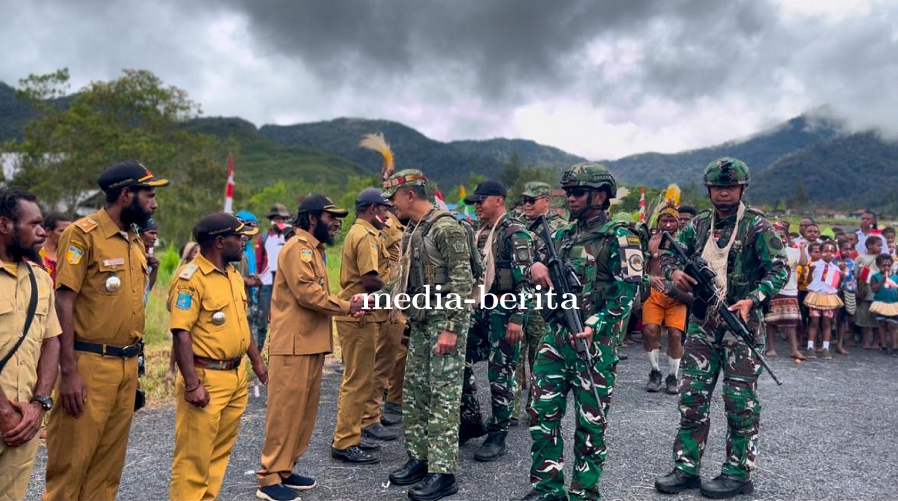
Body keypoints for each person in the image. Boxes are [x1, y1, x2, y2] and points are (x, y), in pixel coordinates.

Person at [654, 157, 787, 499]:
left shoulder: (757, 227)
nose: (723, 193)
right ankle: (686, 468)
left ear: (742, 189)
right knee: (691, 398)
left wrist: (753, 299)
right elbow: (668, 255)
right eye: (718, 187)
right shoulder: (697, 225)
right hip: (701, 326)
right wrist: (674, 274)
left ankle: (738, 472)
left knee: (739, 402)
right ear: (709, 189)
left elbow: (779, 270)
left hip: (740, 323)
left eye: (730, 187)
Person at [44, 161, 168, 501]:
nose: (154, 204)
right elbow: (63, 303)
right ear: (126, 195)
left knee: (107, 471)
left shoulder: (132, 240)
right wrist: (68, 372)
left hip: (126, 366)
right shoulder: (83, 235)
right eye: (149, 195)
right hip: (89, 365)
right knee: (70, 467)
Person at [522, 163, 641, 501]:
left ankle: (584, 492)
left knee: (590, 424)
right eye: (568, 191)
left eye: (577, 192)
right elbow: (533, 271)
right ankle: (547, 486)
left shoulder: (621, 235)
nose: (570, 197)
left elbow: (629, 292)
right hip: (556, 337)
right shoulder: (560, 235)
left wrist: (597, 323)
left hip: (594, 343)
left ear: (600, 196)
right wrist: (535, 267)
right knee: (541, 414)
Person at [256, 195, 366, 501]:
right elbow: (308, 294)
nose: (336, 223)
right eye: (330, 217)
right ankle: (268, 478)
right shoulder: (297, 249)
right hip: (293, 346)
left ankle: (285, 469)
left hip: (309, 343)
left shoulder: (313, 251)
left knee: (303, 414)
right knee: (285, 413)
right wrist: (347, 307)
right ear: (312, 218)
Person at [382, 169, 475, 501]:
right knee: (416, 392)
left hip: (444, 321)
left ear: (409, 195)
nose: (391, 206)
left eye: (393, 198)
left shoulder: (447, 228)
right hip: (422, 320)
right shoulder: (417, 229)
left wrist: (451, 328)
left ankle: (443, 471)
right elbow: (408, 279)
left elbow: (464, 284)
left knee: (444, 397)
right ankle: (420, 458)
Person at [169, 213, 268, 500]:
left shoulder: (233, 275)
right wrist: (191, 384)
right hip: (206, 377)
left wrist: (257, 363)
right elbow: (180, 332)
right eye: (239, 237)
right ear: (221, 242)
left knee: (218, 455)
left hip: (235, 377)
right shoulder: (190, 278)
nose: (243, 241)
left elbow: (242, 323)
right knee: (194, 460)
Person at [459, 179, 533, 461]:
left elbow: (527, 281)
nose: (477, 205)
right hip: (480, 308)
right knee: (460, 357)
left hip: (505, 310)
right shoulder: (482, 232)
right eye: (475, 201)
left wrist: (518, 317)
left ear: (498, 200)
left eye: (482, 200)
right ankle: (471, 419)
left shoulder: (515, 233)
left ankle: (498, 432)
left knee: (500, 373)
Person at [0, 188, 61, 500]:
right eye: (33, 224)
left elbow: (51, 341)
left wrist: (39, 404)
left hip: (22, 423)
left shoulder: (41, 278)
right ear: (4, 225)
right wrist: (3, 410)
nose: (42, 231)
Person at [331, 188, 397, 464]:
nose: (387, 213)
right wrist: (398, 292)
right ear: (372, 209)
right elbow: (370, 280)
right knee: (357, 380)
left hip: (366, 315)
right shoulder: (364, 235)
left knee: (363, 377)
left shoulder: (367, 233)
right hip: (358, 316)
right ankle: (344, 442)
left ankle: (354, 434)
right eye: (384, 208)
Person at [513, 181, 566, 423]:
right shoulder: (515, 225)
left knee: (540, 354)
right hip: (516, 295)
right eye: (524, 199)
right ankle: (509, 411)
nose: (526, 204)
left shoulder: (561, 229)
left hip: (542, 297)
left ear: (546, 200)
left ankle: (536, 405)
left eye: (531, 200)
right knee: (513, 353)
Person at [642, 203, 690, 394]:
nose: (668, 224)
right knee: (650, 330)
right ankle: (655, 372)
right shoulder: (651, 241)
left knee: (675, 334)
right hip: (654, 292)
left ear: (678, 223)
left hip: (677, 293)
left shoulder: (686, 242)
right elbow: (644, 266)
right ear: (659, 221)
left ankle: (673, 376)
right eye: (665, 220)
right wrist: (646, 285)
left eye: (672, 220)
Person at [763, 222, 807, 359]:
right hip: (773, 289)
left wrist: (801, 249)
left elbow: (804, 263)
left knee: (791, 321)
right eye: (777, 236)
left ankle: (793, 349)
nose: (780, 238)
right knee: (771, 320)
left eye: (782, 236)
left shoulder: (794, 251)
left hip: (791, 289)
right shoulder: (769, 252)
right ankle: (770, 348)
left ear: (787, 238)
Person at [381, 208, 408, 426]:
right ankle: (391, 400)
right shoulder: (389, 226)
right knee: (395, 350)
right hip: (390, 297)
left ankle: (393, 397)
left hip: (401, 295)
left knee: (401, 348)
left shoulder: (404, 225)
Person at [255, 203, 291, 352]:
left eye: (283, 219)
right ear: (272, 220)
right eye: (277, 219)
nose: (280, 222)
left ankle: (278, 352)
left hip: (285, 284)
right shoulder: (263, 238)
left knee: (283, 320)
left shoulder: (290, 238)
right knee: (262, 322)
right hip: (267, 284)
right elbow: (258, 262)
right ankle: (257, 354)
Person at [803, 241, 845, 359]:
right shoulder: (815, 265)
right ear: (821, 252)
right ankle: (810, 347)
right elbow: (809, 282)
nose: (828, 254)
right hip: (816, 296)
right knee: (814, 321)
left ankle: (825, 348)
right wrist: (810, 271)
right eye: (826, 251)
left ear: (835, 254)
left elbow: (836, 286)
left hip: (829, 297)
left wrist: (841, 278)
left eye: (832, 251)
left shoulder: (835, 268)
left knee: (827, 322)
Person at [856, 236, 883, 350]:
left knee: (877, 318)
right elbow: (856, 273)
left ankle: (876, 341)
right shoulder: (861, 257)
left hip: (878, 291)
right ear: (869, 246)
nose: (881, 247)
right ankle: (866, 341)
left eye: (881, 245)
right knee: (864, 317)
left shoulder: (882, 258)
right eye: (878, 245)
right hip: (865, 290)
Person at [869, 253, 898, 355]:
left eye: (888, 265)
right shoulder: (875, 276)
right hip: (880, 303)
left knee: (892, 325)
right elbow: (874, 289)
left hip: (893, 304)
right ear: (878, 266)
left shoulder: (895, 277)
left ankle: (895, 346)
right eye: (883, 265)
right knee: (881, 324)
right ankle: (883, 345)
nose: (886, 267)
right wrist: (882, 281)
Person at [39, 212, 71, 284]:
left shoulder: (70, 254)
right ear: (47, 231)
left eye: (69, 231)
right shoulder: (36, 253)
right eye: (62, 231)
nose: (67, 235)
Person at [138, 218, 160, 303]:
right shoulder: (130, 254)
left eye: (156, 234)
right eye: (151, 233)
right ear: (140, 234)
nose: (155, 237)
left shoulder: (149, 256)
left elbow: (147, 288)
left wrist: (155, 268)